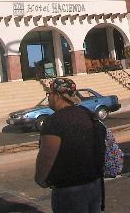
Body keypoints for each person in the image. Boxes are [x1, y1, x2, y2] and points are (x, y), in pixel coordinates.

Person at [35, 78, 104, 213]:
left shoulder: (54, 121)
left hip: (69, 190)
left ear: (58, 96)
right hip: (94, 184)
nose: (48, 98)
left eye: (49, 94)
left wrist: (40, 179)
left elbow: (47, 156)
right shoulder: (86, 113)